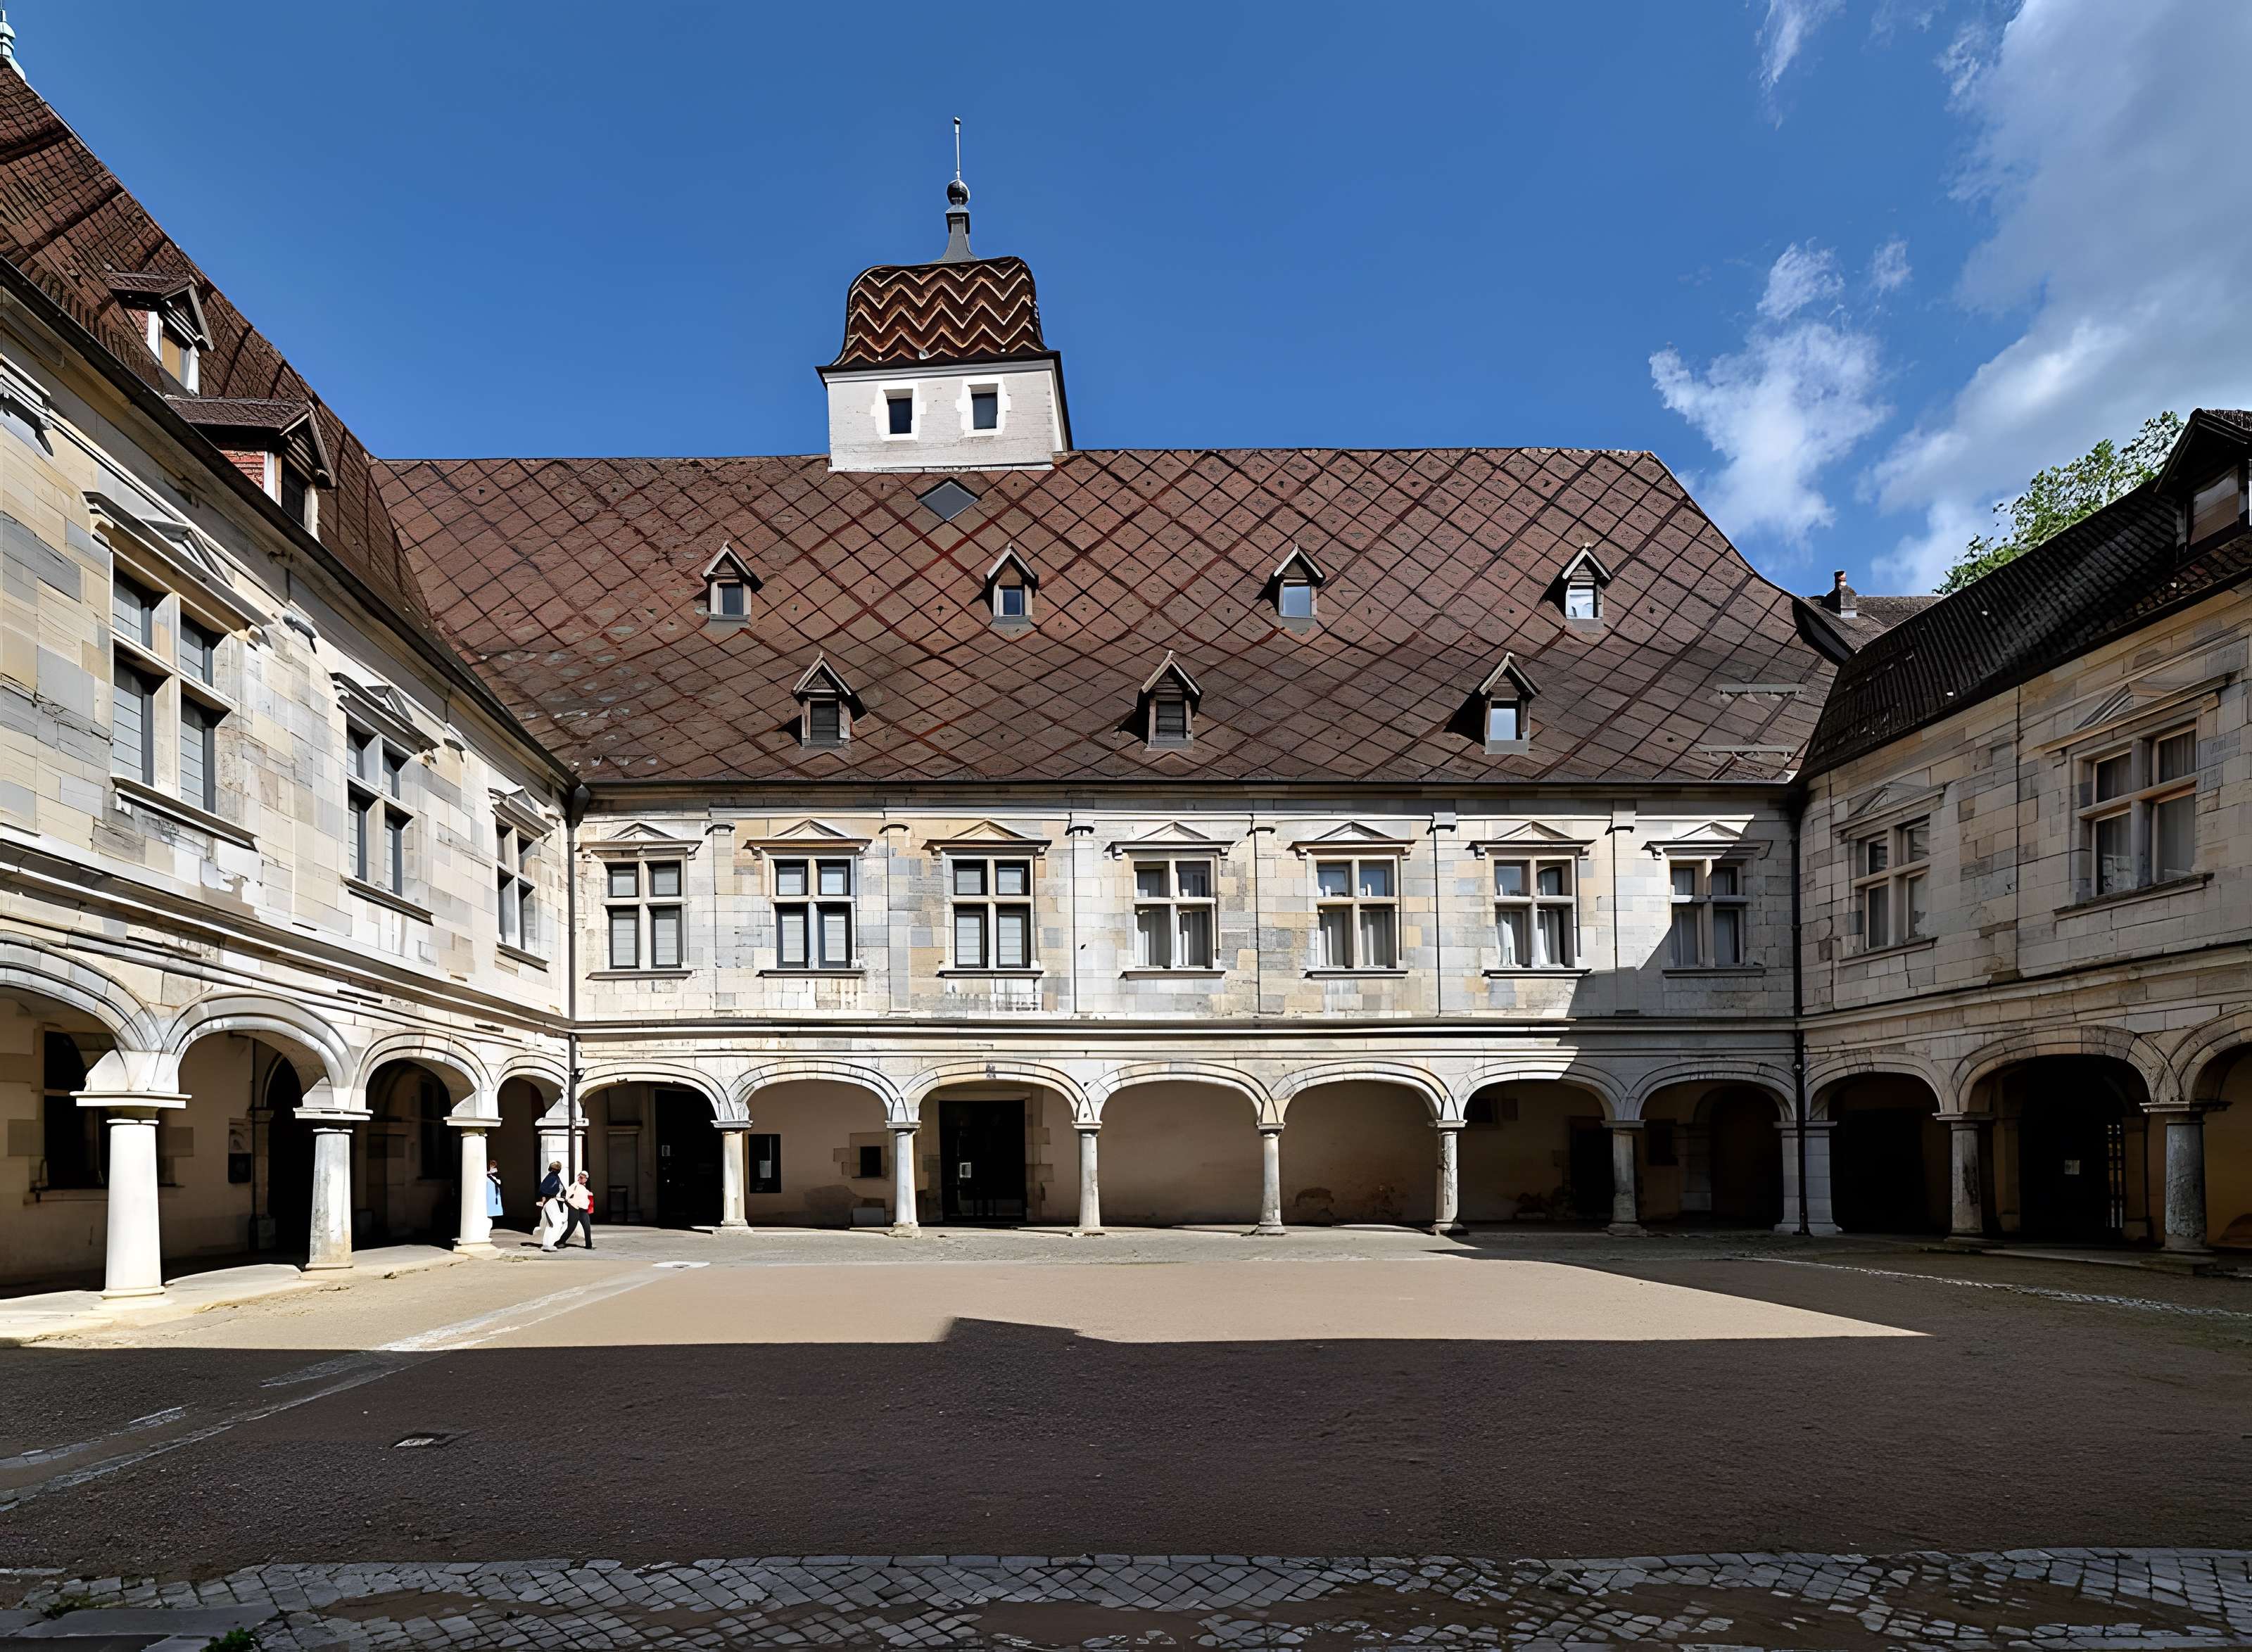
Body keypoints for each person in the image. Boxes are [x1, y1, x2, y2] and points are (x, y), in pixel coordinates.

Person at [556, 1170, 595, 1250]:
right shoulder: (575, 1185)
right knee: (571, 1227)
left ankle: (589, 1245)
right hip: (575, 1208)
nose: (580, 1179)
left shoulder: (584, 1188)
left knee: (587, 1227)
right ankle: (560, 1242)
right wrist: (571, 1205)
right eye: (580, 1177)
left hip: (583, 1210)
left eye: (582, 1178)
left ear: (586, 1179)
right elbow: (566, 1196)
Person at [536, 1160, 565, 1251]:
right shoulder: (552, 1178)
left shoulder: (552, 1177)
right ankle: (549, 1244)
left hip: (552, 1202)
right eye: (557, 1169)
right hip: (551, 1202)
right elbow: (545, 1191)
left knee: (552, 1224)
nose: (558, 1170)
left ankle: (547, 1244)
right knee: (556, 1223)